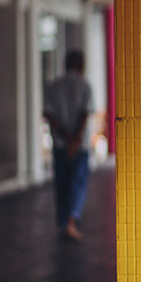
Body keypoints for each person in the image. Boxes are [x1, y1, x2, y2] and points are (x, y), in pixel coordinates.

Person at [44, 48, 93, 241]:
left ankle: (64, 223)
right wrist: (76, 140)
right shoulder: (85, 86)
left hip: (60, 144)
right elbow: (85, 113)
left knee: (62, 183)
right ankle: (71, 223)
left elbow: (48, 113)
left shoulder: (54, 86)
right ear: (81, 65)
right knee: (77, 183)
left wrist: (65, 136)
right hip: (79, 147)